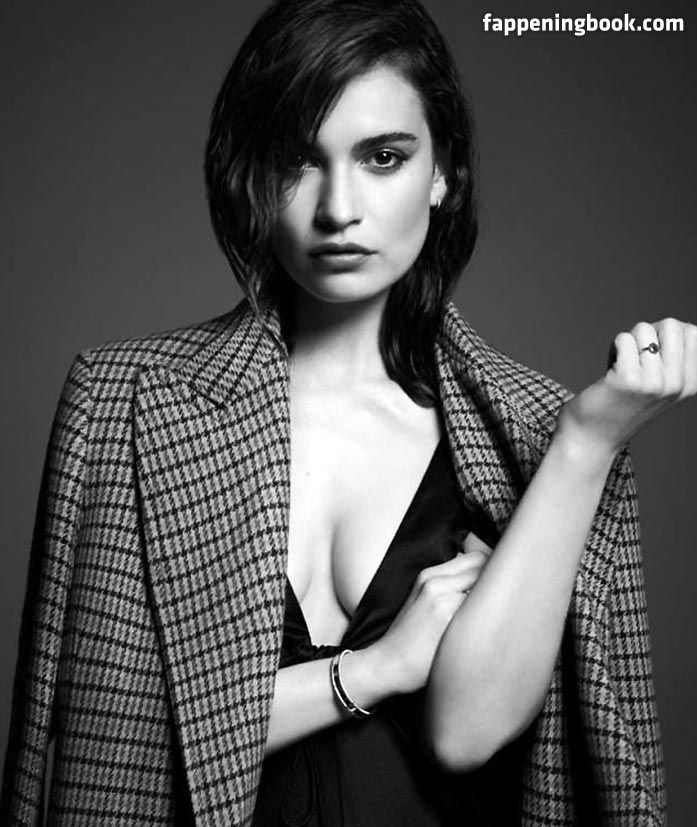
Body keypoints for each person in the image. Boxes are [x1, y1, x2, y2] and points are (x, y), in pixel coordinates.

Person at [1, 0, 693, 823]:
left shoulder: (537, 430)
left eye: (382, 157)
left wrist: (582, 444)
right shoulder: (124, 400)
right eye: (299, 160)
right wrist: (376, 667)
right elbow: (112, 738)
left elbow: (466, 733)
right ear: (253, 175)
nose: (338, 208)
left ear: (441, 173)